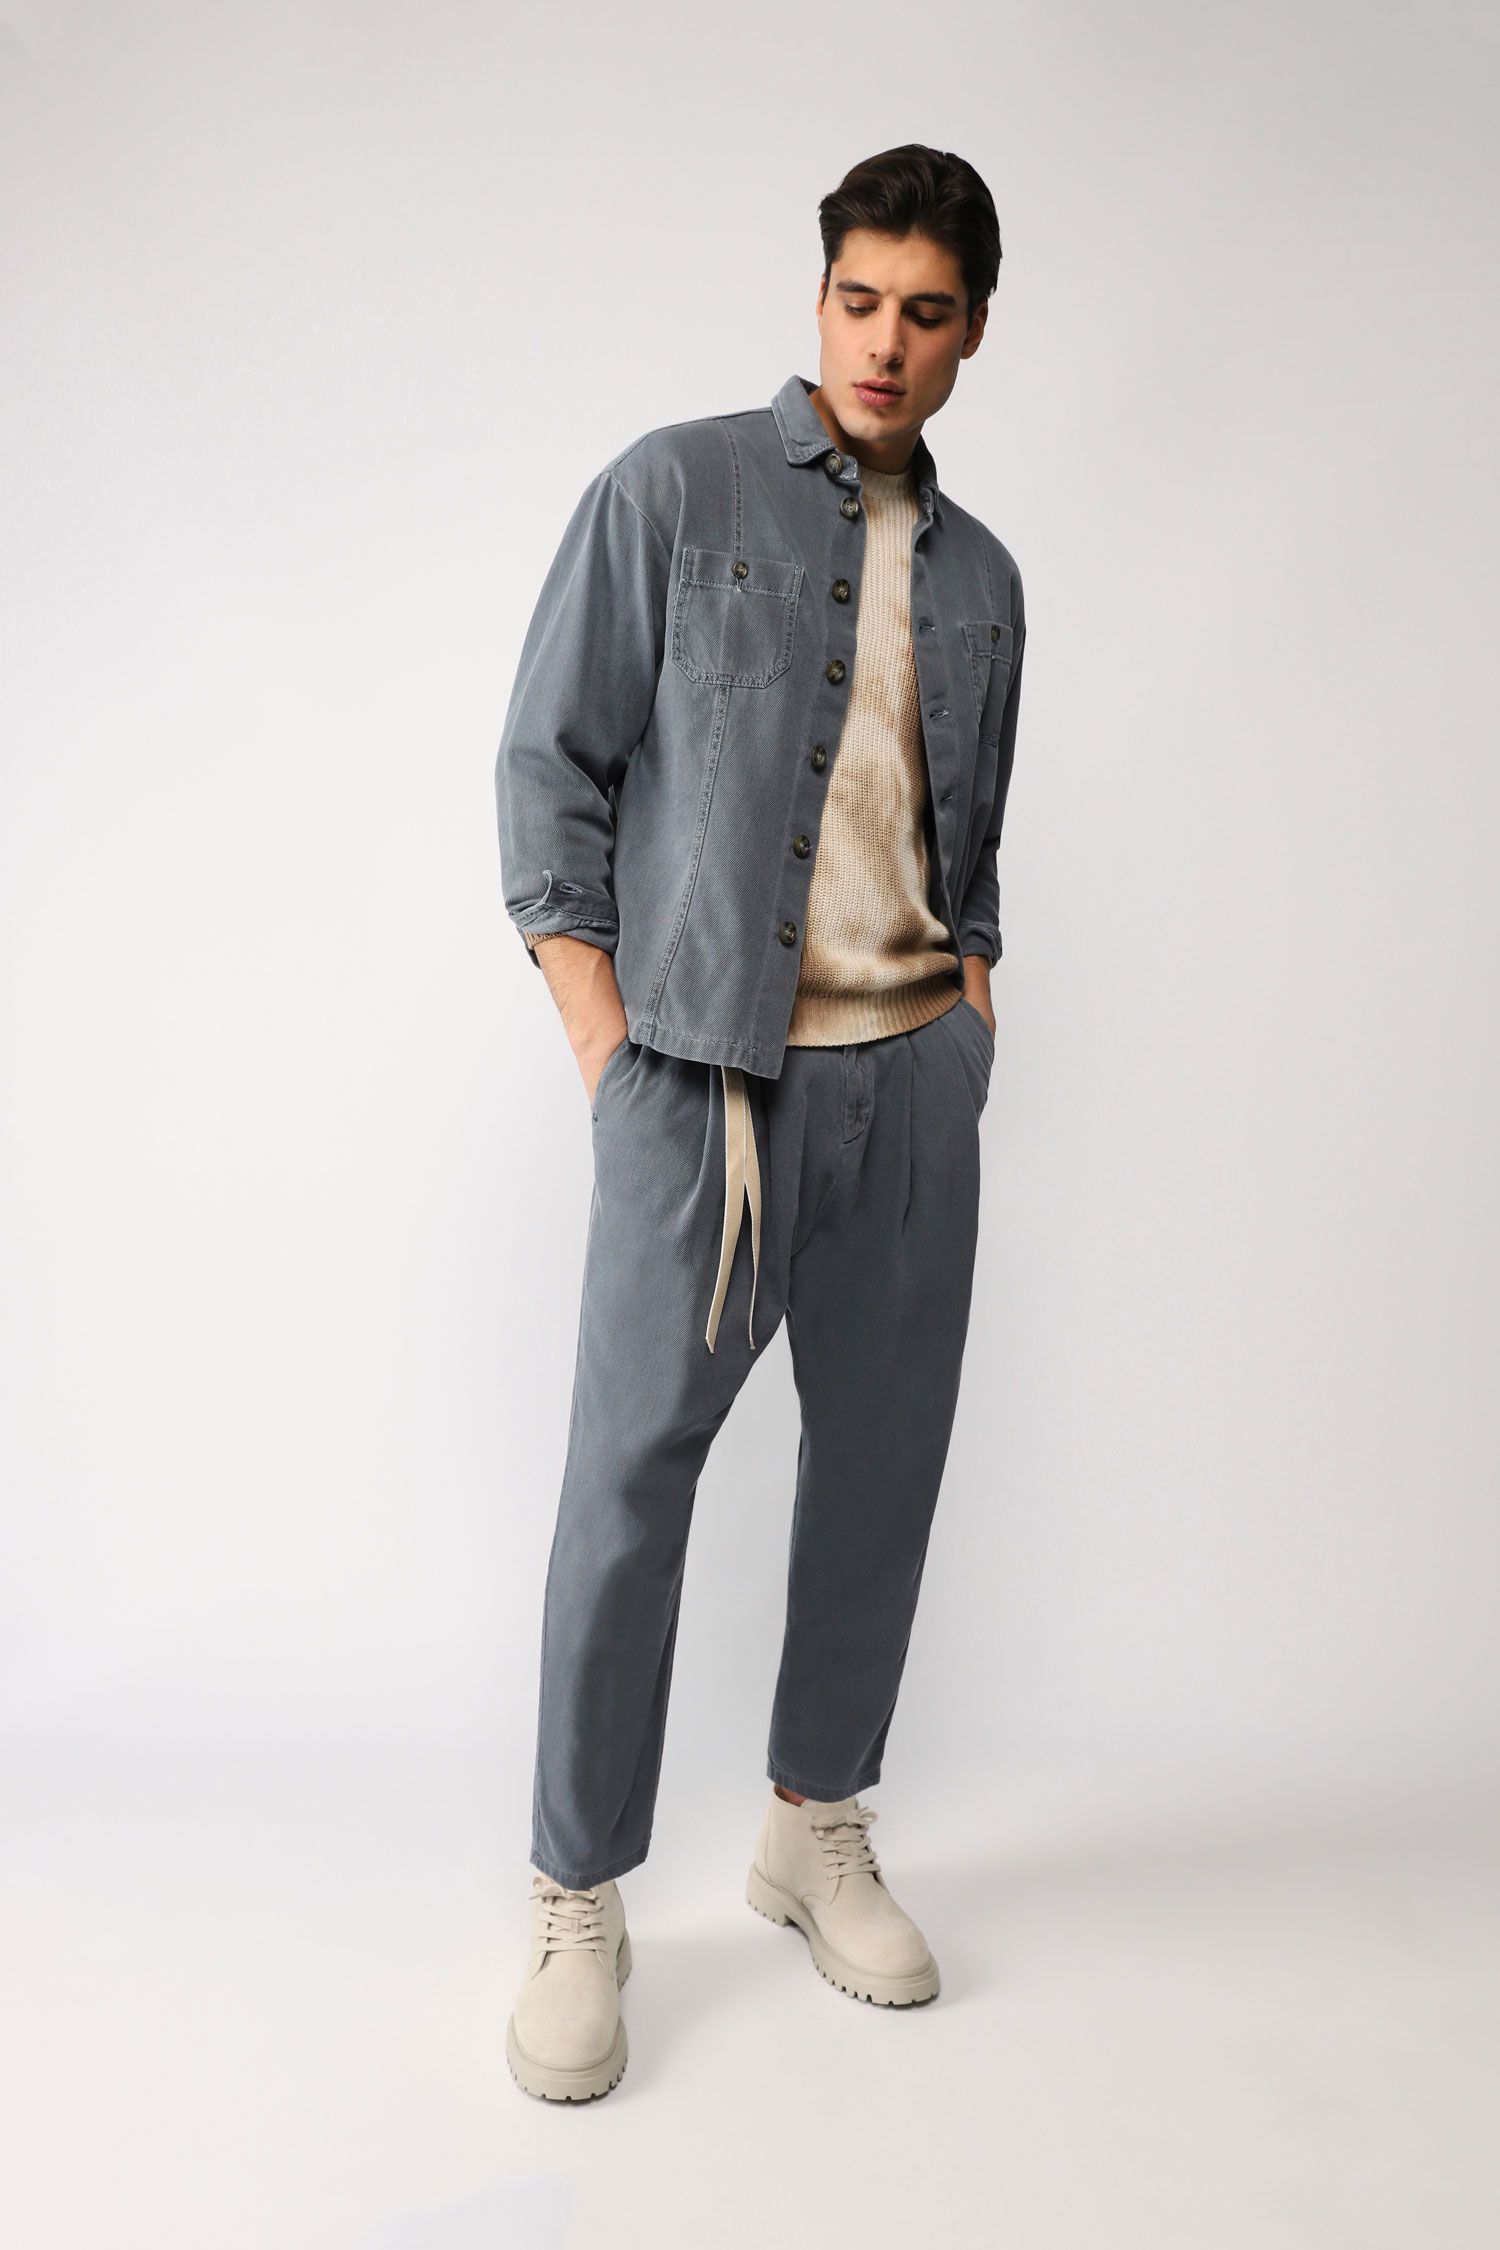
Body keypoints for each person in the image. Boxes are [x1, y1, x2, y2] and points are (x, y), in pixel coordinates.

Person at [494, 142, 1027, 2102]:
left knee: (882, 1475)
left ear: (973, 335)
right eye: (859, 300)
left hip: (913, 1086)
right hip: (701, 1084)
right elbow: (547, 767)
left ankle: (816, 1822)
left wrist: (971, 1013)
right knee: (628, 1490)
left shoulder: (989, 582)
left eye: (926, 314)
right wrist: (607, 1046)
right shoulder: (675, 492)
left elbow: (970, 841)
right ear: (819, 301)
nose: (885, 343)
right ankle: (576, 1893)